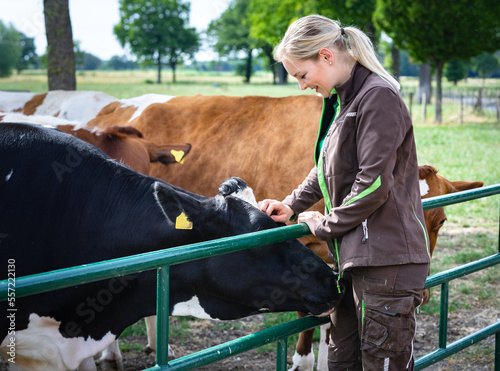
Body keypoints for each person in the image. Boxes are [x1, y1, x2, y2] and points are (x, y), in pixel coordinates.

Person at [259, 15, 430, 371]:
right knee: (340, 362)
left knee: (381, 364)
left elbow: (374, 183)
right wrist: (291, 205)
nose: (302, 87)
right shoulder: (344, 100)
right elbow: (324, 170)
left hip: (386, 264)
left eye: (302, 76)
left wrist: (324, 225)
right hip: (354, 259)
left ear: (326, 56)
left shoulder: (378, 97)